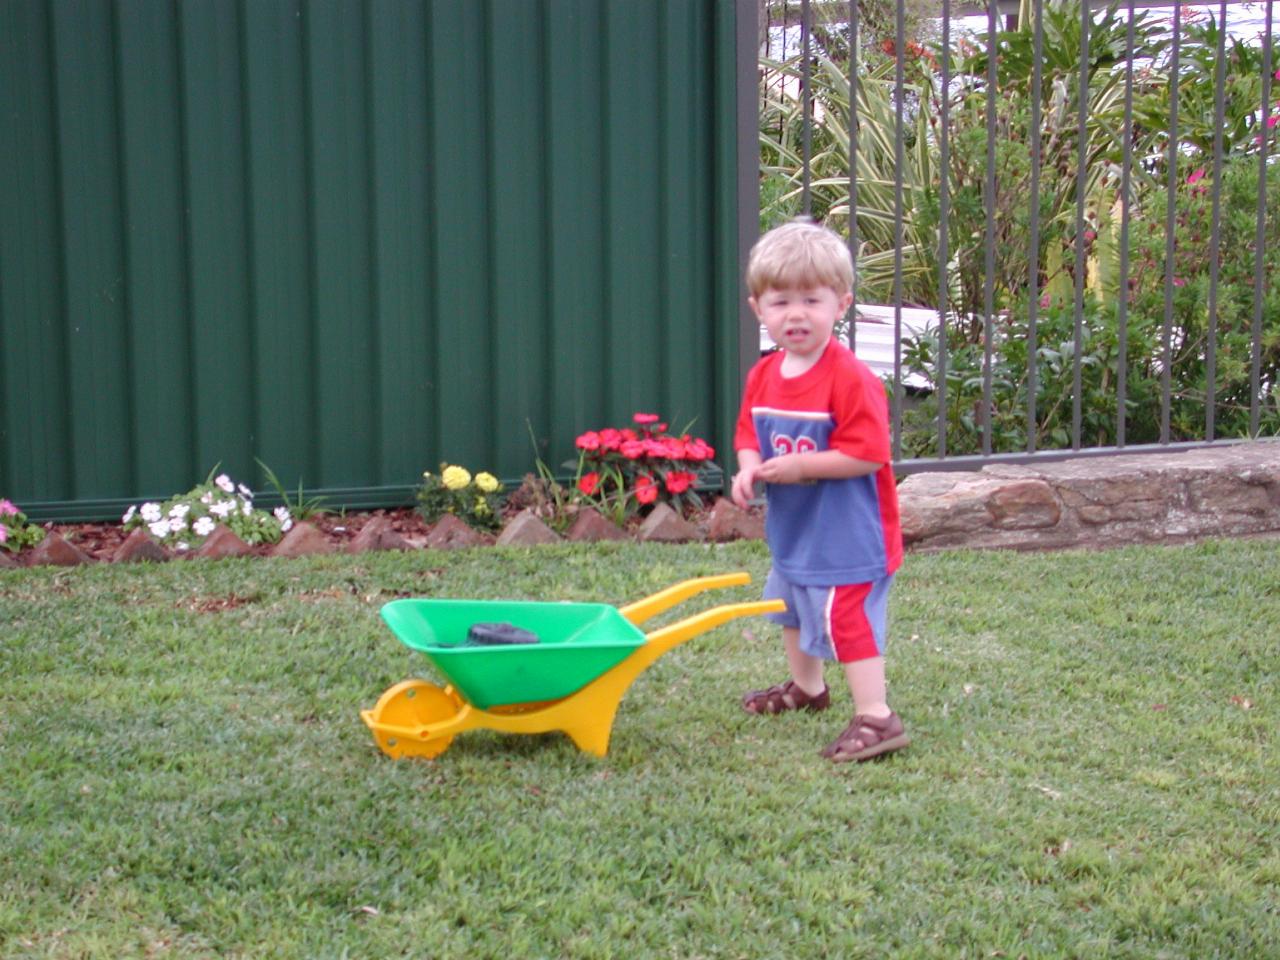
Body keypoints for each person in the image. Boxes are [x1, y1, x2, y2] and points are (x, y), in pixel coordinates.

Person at [730, 219, 908, 763]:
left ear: (841, 304)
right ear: (759, 308)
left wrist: (801, 468)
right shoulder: (764, 374)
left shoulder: (850, 378)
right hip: (796, 530)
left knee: (843, 618)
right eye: (781, 301)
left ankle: (877, 717)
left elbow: (868, 453)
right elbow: (746, 433)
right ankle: (808, 688)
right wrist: (748, 467)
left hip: (849, 537)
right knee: (788, 606)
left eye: (812, 299)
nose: (797, 314)